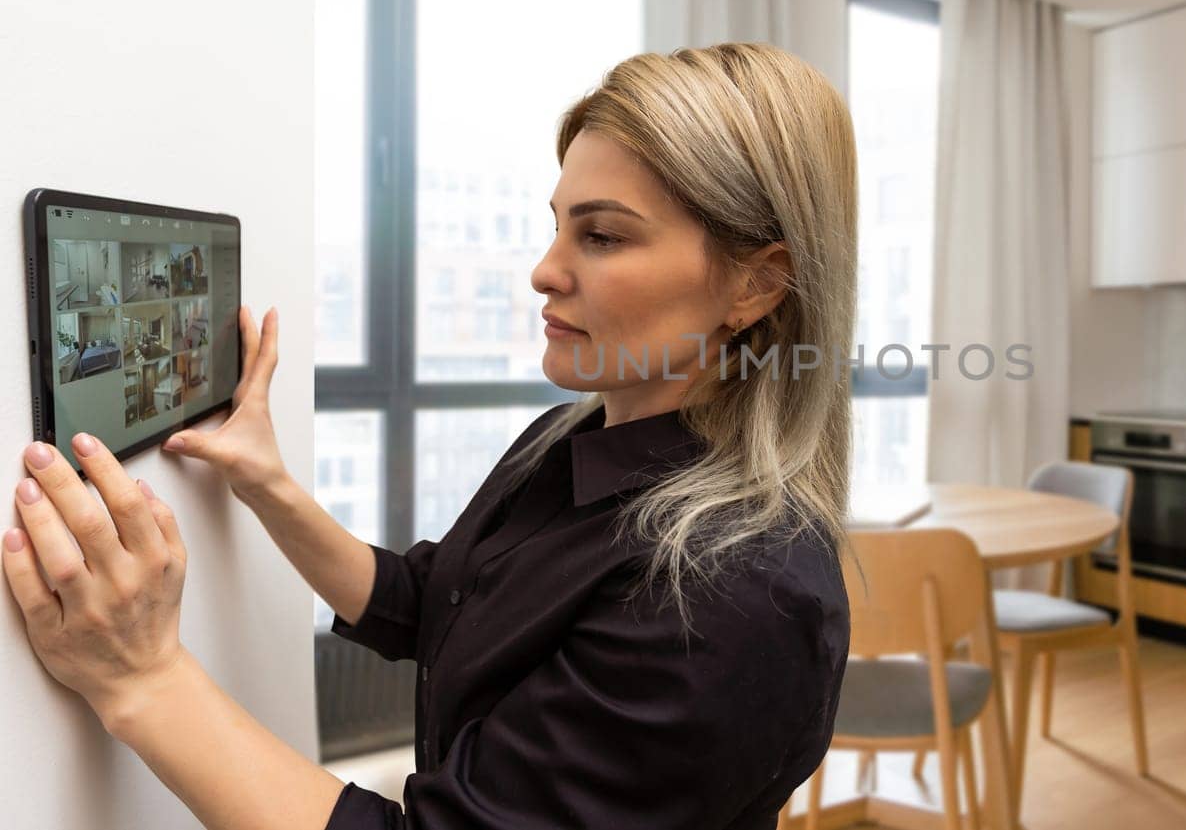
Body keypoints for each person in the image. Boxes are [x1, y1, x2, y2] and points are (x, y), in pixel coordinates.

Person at [3, 42, 858, 829]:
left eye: (600, 235)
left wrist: (146, 678)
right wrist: (268, 483)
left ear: (756, 283)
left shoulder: (737, 591)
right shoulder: (568, 436)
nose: (544, 269)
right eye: (558, 222)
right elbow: (439, 598)